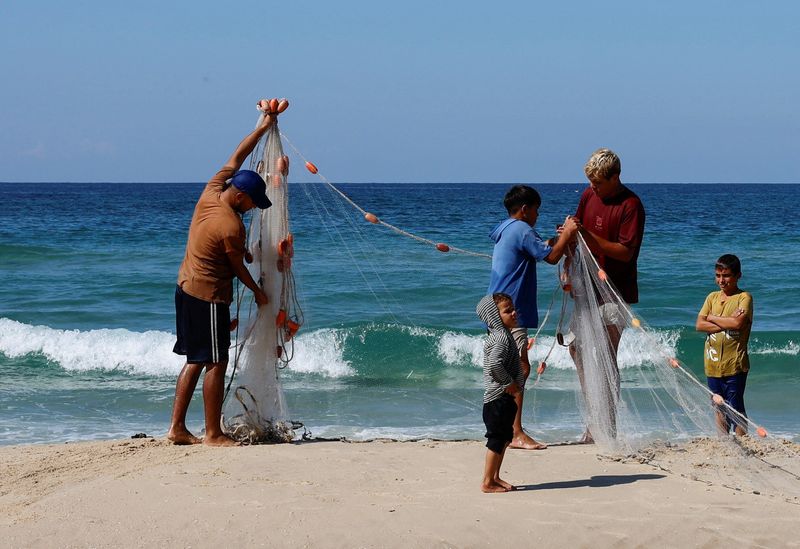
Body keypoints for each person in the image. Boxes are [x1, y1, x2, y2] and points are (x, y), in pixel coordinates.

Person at [167, 108, 280, 446]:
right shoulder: (230, 225)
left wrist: (262, 128)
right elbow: (236, 268)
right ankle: (213, 434)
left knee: (196, 359)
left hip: (185, 287)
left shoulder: (213, 189)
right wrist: (258, 293)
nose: (252, 209)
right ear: (242, 196)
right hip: (208, 297)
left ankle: (177, 428)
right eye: (252, 203)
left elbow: (237, 154)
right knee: (216, 360)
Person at [488, 185, 579, 449]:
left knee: (509, 370)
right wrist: (570, 233)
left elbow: (542, 247)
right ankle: (514, 432)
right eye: (536, 210)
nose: (538, 215)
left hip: (497, 308)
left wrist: (559, 238)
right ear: (526, 209)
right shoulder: (522, 229)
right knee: (520, 369)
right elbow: (551, 257)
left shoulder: (506, 229)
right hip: (510, 313)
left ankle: (504, 430)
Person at [570, 148, 645, 443]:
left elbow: (626, 253)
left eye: (599, 182)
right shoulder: (589, 195)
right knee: (576, 350)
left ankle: (608, 426)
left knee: (606, 356)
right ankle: (592, 420)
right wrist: (567, 265)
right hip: (584, 287)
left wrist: (590, 236)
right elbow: (577, 232)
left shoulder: (631, 205)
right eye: (590, 182)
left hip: (615, 290)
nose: (593, 188)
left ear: (616, 177)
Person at [695, 254, 753, 436]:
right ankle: (723, 442)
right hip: (712, 364)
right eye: (718, 275)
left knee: (735, 408)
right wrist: (724, 320)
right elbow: (699, 325)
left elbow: (737, 324)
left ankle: (742, 440)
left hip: (734, 364)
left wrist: (711, 318)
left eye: (726, 276)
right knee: (718, 406)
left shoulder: (744, 298)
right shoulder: (711, 297)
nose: (721, 280)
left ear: (738, 276)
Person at [476, 293, 525, 492]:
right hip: (497, 399)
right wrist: (508, 383)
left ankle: (495, 477)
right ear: (495, 317)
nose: (514, 313)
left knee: (504, 438)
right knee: (496, 440)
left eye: (513, 309)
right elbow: (495, 364)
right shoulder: (501, 338)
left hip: (504, 399)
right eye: (507, 311)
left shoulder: (504, 336)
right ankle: (487, 481)